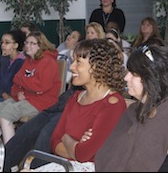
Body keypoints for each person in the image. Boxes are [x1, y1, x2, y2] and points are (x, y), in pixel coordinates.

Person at [34, 39, 127, 172]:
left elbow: (83, 154)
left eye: (78, 62)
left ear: (96, 67)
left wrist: (66, 138)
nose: (72, 67)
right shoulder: (75, 98)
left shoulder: (112, 105)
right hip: (65, 165)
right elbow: (54, 141)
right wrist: (75, 145)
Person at [95, 45, 168, 172]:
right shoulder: (133, 111)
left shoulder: (166, 117)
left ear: (152, 78)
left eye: (134, 74)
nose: (126, 78)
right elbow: (104, 155)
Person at [0, 31, 61, 152]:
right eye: (26, 42)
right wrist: (18, 92)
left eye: (32, 43)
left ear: (41, 45)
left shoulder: (48, 62)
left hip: (42, 102)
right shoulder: (28, 60)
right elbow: (16, 81)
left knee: (5, 115)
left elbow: (41, 87)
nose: (28, 46)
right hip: (25, 98)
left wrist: (24, 82)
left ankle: (10, 156)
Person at [3, 85, 83, 172]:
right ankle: (2, 166)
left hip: (71, 113)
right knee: (25, 131)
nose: (73, 70)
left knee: (45, 136)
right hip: (58, 107)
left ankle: (35, 169)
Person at [0, 29, 26, 112]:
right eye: (2, 42)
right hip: (2, 93)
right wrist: (4, 60)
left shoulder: (21, 62)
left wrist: (3, 93)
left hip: (12, 97)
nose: (3, 45)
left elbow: (8, 83)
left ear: (16, 45)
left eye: (7, 43)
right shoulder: (5, 59)